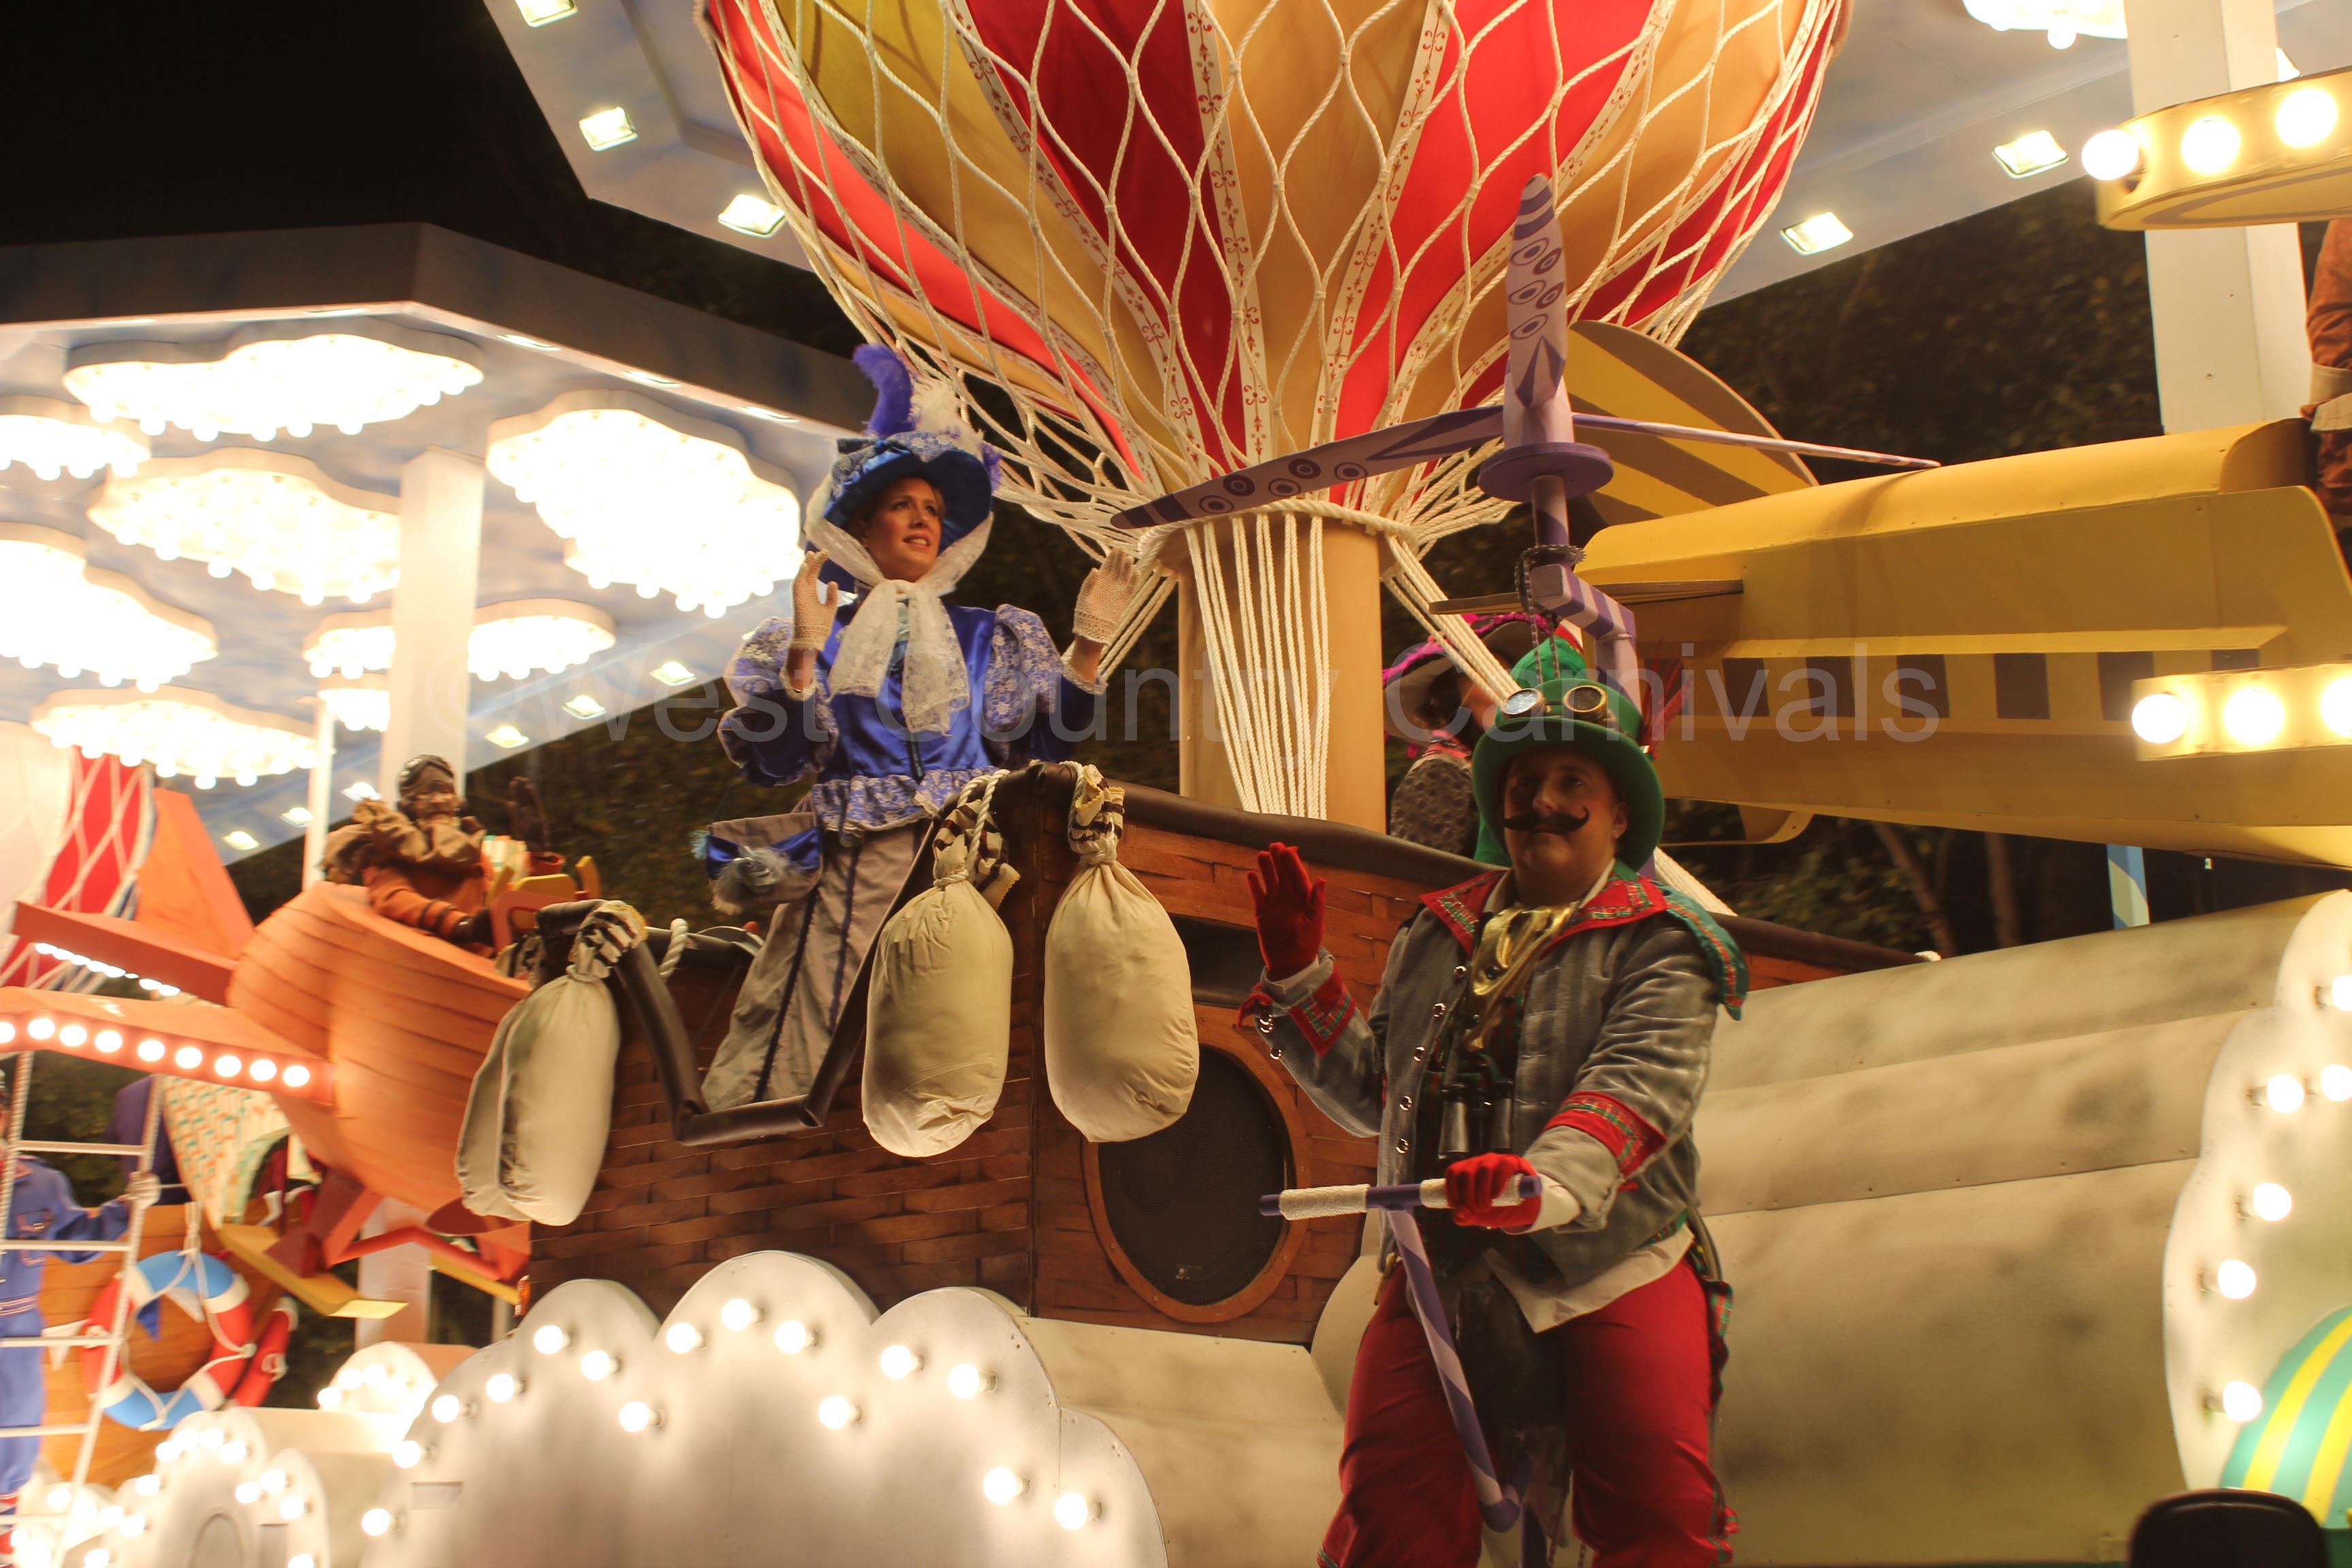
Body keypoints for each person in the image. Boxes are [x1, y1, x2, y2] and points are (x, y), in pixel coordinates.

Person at [1241, 639, 1746, 1568]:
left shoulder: (1670, 941)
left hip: (1613, 1261)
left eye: (1571, 780)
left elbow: (1638, 1090)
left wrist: (1538, 1186)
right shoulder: (1436, 930)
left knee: (1658, 1521)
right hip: (1441, 1271)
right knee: (1390, 1522)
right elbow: (1374, 1099)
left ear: (1621, 811)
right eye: (1524, 782)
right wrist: (1298, 972)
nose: (1543, 800)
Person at [703, 345, 1142, 1109]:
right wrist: (805, 654)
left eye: (934, 510)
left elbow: (1044, 747)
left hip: (968, 861)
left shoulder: (989, 635)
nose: (921, 520)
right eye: (903, 505)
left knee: (964, 1028)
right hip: (854, 871)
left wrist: (1089, 644)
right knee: (823, 1033)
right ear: (861, 525)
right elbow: (773, 762)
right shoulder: (815, 636)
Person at [0, 1074, 160, 1523]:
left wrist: (129, 1206)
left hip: (16, 1335)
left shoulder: (39, 1183)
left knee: (14, 1430)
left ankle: (4, 1534)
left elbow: (78, 1241)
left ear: (6, 1115)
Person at [320, 757, 560, 955]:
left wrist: (539, 855)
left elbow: (510, 902)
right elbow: (394, 898)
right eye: (425, 793)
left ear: (457, 801)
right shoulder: (392, 846)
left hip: (486, 963)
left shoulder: (470, 848)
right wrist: (460, 924)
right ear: (408, 804)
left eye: (445, 791)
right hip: (433, 964)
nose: (437, 801)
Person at [1383, 614, 1543, 857]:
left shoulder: (1509, 767)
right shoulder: (1437, 774)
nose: (1507, 688)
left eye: (1512, 676)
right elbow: (1421, 874)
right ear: (1453, 696)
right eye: (1490, 677)